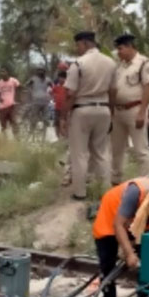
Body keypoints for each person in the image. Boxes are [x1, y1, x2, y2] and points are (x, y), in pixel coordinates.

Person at [64, 31, 116, 200]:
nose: (77, 49)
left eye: (78, 45)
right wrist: (111, 111)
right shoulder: (110, 63)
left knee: (79, 153)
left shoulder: (78, 64)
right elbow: (113, 90)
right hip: (104, 109)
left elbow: (70, 93)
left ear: (85, 44)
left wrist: (65, 115)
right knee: (101, 152)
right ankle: (105, 190)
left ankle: (80, 192)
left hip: (82, 109)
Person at [109, 34, 149, 185]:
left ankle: (146, 183)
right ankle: (115, 181)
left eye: (121, 48)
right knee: (117, 150)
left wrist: (142, 112)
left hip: (135, 110)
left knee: (141, 149)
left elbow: (148, 88)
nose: (119, 52)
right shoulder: (120, 66)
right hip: (118, 111)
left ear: (129, 47)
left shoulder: (143, 63)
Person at [25, 67, 53, 140]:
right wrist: (30, 92)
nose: (41, 72)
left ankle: (43, 136)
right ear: (37, 72)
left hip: (45, 102)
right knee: (33, 119)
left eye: (42, 70)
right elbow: (26, 85)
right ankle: (32, 133)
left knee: (45, 119)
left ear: (45, 71)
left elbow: (53, 87)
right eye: (39, 70)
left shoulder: (48, 79)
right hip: (35, 102)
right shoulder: (33, 79)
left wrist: (51, 94)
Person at [0, 67, 21, 137]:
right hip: (2, 107)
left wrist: (18, 99)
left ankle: (17, 139)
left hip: (11, 105)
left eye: (3, 71)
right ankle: (4, 141)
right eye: (1, 72)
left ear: (7, 72)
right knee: (3, 126)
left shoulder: (13, 80)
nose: (2, 73)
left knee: (14, 123)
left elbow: (19, 88)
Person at [52, 71, 68, 139]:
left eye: (63, 78)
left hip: (65, 109)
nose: (61, 79)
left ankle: (65, 137)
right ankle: (58, 138)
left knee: (64, 124)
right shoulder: (56, 87)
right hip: (57, 108)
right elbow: (52, 93)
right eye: (60, 78)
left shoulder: (67, 88)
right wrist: (54, 97)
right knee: (56, 124)